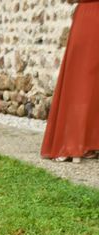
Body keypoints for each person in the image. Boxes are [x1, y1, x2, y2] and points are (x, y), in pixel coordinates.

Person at [41, 0, 99, 162]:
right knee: (92, 83)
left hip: (88, 18)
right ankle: (89, 144)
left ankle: (72, 146)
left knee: (78, 82)